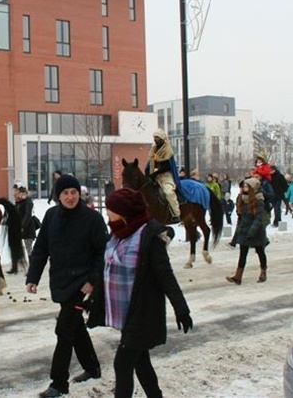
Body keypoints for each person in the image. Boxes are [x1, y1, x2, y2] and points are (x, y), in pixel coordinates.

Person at [88, 188, 192, 398]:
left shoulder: (148, 235)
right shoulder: (117, 232)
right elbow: (106, 269)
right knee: (141, 361)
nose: (107, 213)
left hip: (143, 310)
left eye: (111, 209)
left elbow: (165, 275)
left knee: (123, 362)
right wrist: (92, 299)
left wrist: (181, 309)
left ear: (124, 212)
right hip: (127, 312)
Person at [26, 174, 108, 398]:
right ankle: (92, 368)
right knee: (75, 327)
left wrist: (93, 280)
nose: (70, 197)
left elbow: (103, 252)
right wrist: (33, 276)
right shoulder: (51, 216)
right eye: (65, 193)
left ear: (79, 194)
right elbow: (41, 248)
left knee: (64, 329)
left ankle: (59, 383)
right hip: (61, 282)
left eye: (74, 192)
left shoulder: (92, 219)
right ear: (58, 195)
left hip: (83, 286)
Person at [226, 177, 270, 285]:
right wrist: (236, 236)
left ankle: (263, 271)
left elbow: (258, 218)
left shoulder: (258, 199)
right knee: (243, 254)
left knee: (260, 251)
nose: (244, 188)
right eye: (243, 186)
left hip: (256, 231)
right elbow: (241, 218)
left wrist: (253, 231)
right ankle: (238, 276)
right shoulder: (241, 198)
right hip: (244, 230)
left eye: (246, 186)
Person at [145, 129, 181, 223]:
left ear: (161, 138)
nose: (155, 139)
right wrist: (148, 174)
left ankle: (176, 214)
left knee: (168, 192)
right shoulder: (153, 149)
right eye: (154, 137)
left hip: (166, 176)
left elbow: (167, 165)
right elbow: (150, 163)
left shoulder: (167, 149)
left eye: (157, 137)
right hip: (154, 176)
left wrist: (156, 173)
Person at [8, 182, 34, 274]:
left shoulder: (28, 201)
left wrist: (21, 226)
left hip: (27, 228)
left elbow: (27, 215)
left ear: (20, 191)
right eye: (14, 191)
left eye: (16, 191)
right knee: (15, 247)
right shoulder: (17, 201)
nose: (14, 193)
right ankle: (14, 267)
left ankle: (32, 268)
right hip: (18, 228)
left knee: (28, 248)